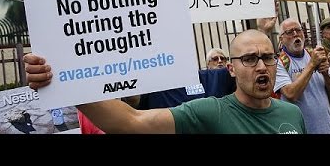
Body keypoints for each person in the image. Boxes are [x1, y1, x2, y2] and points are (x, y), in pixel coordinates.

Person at [24, 29, 306, 134]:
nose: (261, 66)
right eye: (249, 59)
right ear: (230, 69)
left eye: (267, 57)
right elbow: (129, 122)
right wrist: (61, 81)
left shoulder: (292, 114)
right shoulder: (211, 111)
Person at [273, 18, 330, 134]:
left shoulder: (316, 55)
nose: (295, 34)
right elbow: (291, 94)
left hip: (327, 129)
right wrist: (312, 65)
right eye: (289, 32)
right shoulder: (280, 63)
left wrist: (325, 74)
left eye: (298, 30)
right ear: (281, 39)